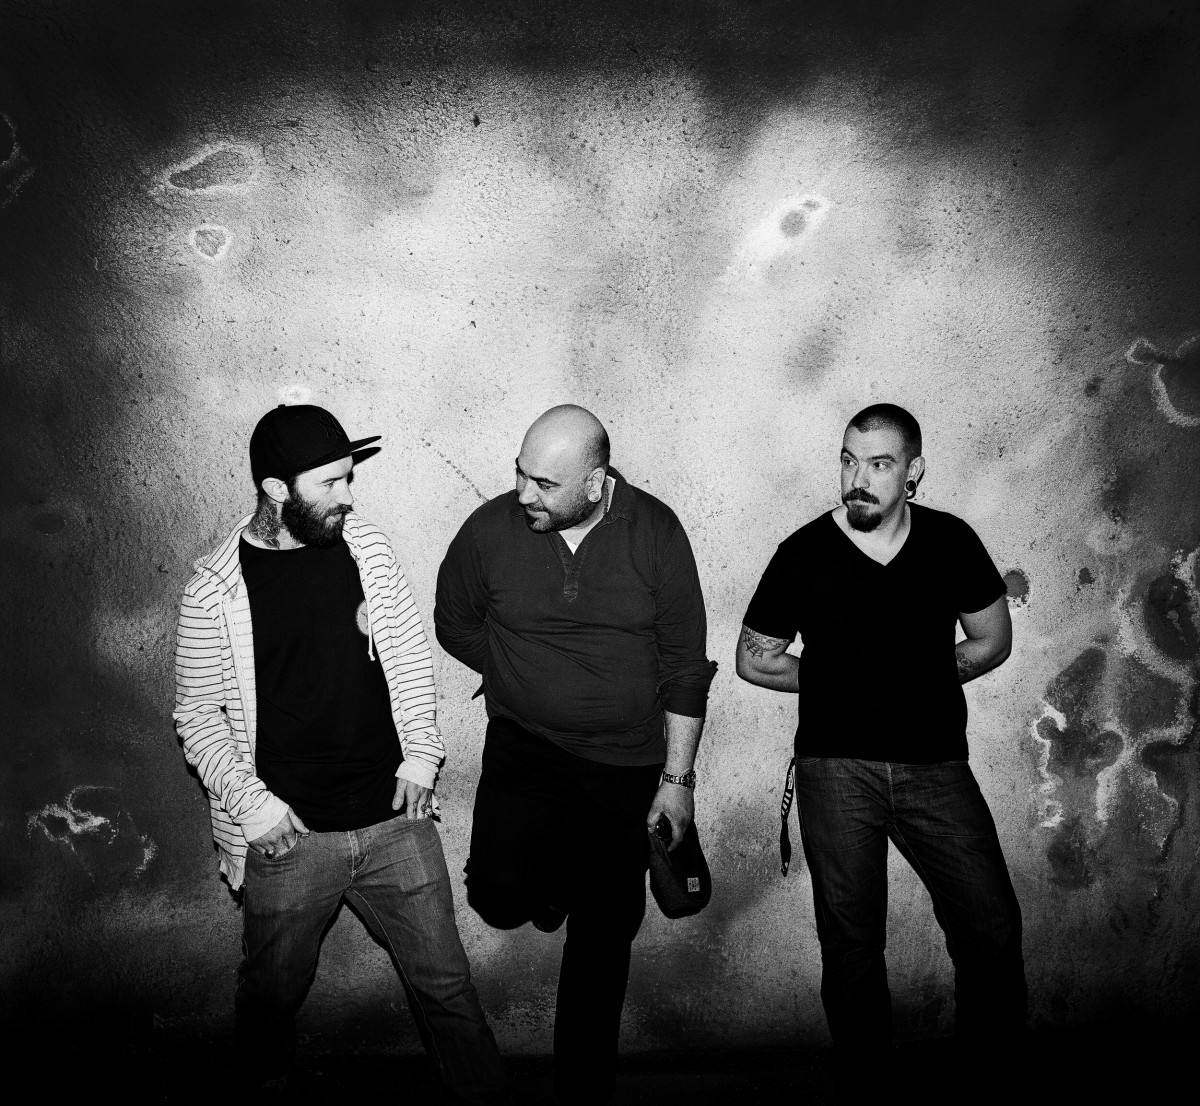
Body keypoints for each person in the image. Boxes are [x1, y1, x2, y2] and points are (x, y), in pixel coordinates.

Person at [173, 403, 507, 1101]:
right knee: (269, 998)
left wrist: (421, 756)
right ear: (276, 489)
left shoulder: (367, 550)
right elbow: (197, 716)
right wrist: (253, 808)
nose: (348, 495)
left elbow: (408, 655)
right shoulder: (214, 591)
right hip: (289, 839)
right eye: (330, 482)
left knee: (448, 987)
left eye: (349, 477)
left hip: (394, 821)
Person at [736, 403, 1026, 1096]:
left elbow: (992, 641)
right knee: (852, 943)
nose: (857, 479)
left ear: (913, 471)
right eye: (848, 461)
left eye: (879, 464)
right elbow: (754, 659)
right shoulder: (802, 554)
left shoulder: (951, 542)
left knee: (991, 927)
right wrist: (839, 680)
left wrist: (922, 678)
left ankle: (987, 1078)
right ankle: (867, 1087)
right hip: (835, 770)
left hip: (937, 767)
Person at [434, 404, 716, 1105]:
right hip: (525, 749)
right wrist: (515, 673)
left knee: (605, 932)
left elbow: (686, 666)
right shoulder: (490, 530)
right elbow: (454, 622)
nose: (522, 494)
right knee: (497, 896)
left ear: (595, 483)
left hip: (625, 762)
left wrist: (677, 780)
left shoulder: (656, 533)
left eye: (544, 484)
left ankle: (583, 1100)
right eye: (520, 473)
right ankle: (555, 877)